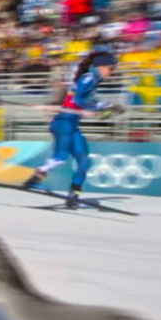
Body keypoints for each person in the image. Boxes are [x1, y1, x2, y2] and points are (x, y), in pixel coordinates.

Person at [22, 43, 125, 208]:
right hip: (63, 123)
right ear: (100, 66)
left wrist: (108, 106)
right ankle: (34, 179)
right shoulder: (88, 79)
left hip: (72, 124)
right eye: (110, 69)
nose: (111, 73)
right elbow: (78, 100)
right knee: (60, 157)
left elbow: (86, 101)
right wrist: (93, 107)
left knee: (84, 160)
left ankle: (73, 195)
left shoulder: (94, 80)